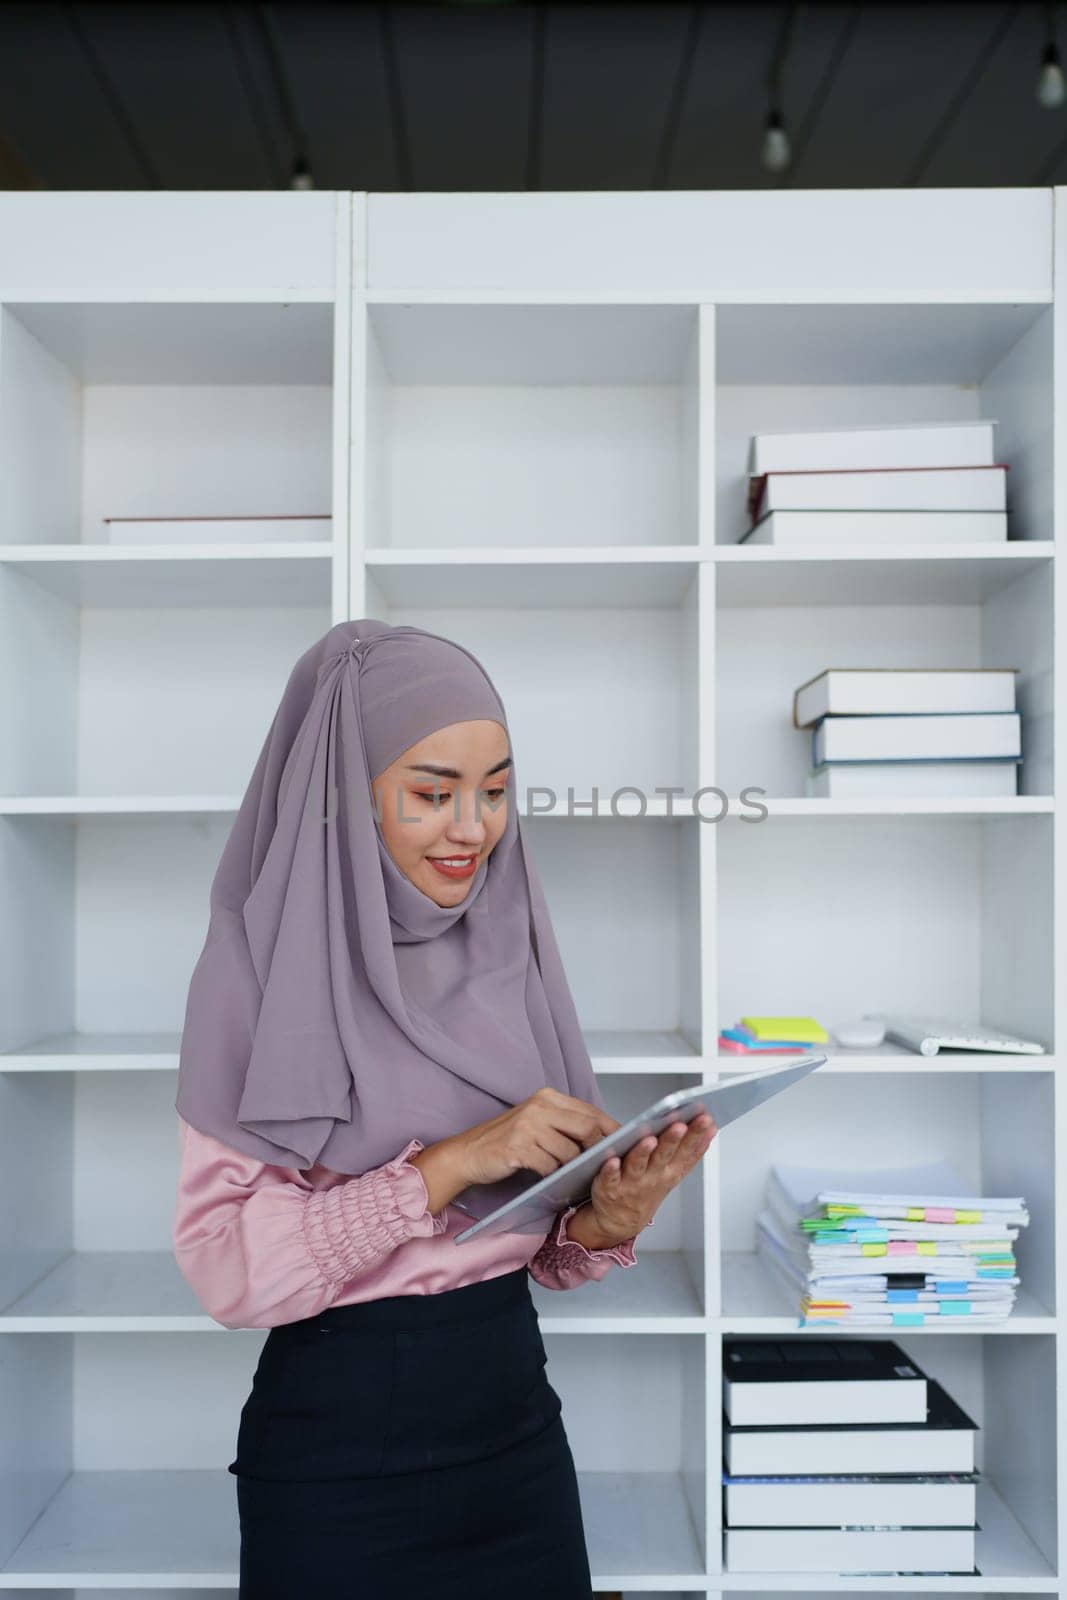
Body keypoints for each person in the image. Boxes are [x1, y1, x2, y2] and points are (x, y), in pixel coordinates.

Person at [172, 617, 717, 1599]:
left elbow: (538, 1254)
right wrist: (447, 1164)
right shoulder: (254, 968)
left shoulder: (509, 954)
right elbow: (225, 1271)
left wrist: (604, 1220)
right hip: (335, 1459)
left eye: (496, 790)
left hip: (515, 1435)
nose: (473, 826)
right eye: (432, 793)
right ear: (348, 795)